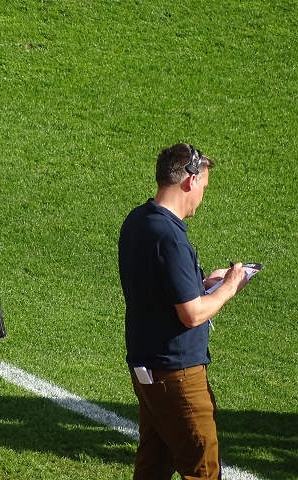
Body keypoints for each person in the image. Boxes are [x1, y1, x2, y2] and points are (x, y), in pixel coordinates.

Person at [118, 143, 251, 479]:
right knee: (202, 469)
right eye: (204, 186)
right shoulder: (171, 239)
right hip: (177, 375)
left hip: (147, 369)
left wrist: (202, 284)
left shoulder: (137, 221)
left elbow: (157, 289)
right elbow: (191, 315)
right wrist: (229, 286)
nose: (202, 196)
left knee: (153, 464)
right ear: (191, 181)